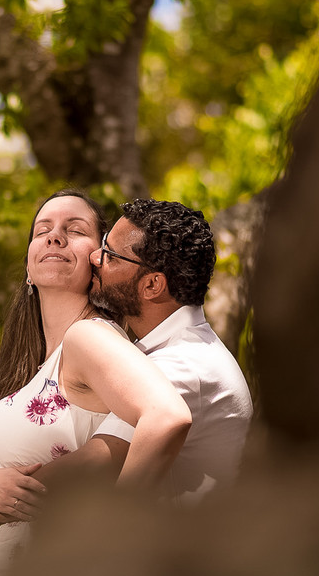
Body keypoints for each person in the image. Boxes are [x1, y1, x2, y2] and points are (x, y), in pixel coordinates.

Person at [0, 190, 192, 576]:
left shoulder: (89, 337)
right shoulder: (34, 366)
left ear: (98, 261)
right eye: (42, 231)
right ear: (28, 269)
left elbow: (167, 415)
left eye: (74, 230)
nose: (54, 238)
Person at [85, 198, 254, 503]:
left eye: (110, 255)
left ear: (152, 285)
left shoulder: (181, 366)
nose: (94, 257)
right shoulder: (185, 349)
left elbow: (90, 467)